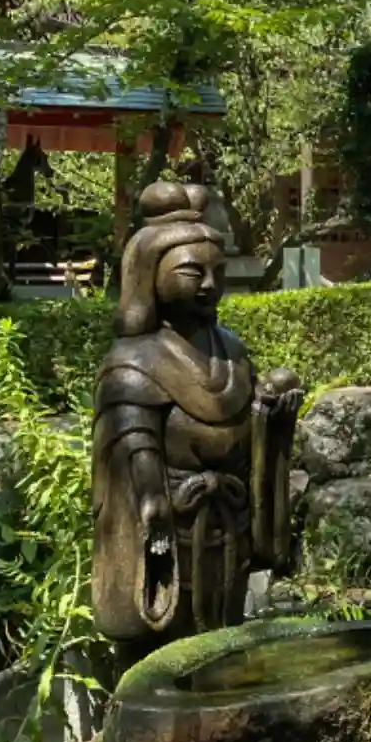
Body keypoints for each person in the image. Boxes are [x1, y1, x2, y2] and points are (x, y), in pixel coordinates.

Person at [91, 180, 300, 668]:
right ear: (150, 275)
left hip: (228, 520)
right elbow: (132, 439)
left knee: (224, 629)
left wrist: (272, 412)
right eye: (191, 272)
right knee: (165, 642)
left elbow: (249, 424)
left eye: (217, 272)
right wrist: (151, 499)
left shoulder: (231, 349)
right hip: (170, 523)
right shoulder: (134, 360)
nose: (208, 284)